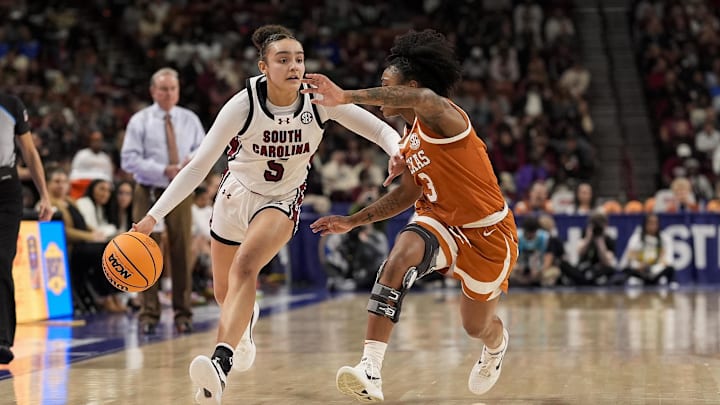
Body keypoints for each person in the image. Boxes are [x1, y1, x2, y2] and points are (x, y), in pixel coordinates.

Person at [131, 25, 403, 404]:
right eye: (283, 59)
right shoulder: (242, 105)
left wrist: (395, 149)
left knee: (245, 267)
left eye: (299, 58)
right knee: (225, 294)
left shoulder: (319, 100)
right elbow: (197, 169)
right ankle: (244, 326)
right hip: (233, 196)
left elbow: (379, 130)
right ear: (264, 66)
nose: (294, 66)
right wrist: (151, 218)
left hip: (281, 200)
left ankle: (218, 368)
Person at [304, 29, 519, 401]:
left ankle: (496, 347)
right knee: (399, 258)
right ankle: (370, 368)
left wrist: (346, 96)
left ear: (410, 85)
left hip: (487, 235)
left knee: (476, 327)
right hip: (438, 218)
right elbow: (410, 192)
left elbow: (420, 97)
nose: (380, 89)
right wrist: (354, 221)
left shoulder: (443, 116)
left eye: (386, 84)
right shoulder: (409, 134)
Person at [121, 67, 206, 335]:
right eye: (163, 89)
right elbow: (129, 159)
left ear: (178, 91)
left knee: (182, 251)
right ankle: (148, 314)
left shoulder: (190, 119)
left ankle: (183, 313)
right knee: (144, 252)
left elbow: (204, 150)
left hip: (180, 190)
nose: (168, 93)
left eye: (173, 89)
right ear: (153, 91)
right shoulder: (140, 120)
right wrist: (162, 169)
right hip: (148, 189)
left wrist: (189, 163)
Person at [0, 92, 52, 364]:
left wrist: (45, 195)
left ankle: (2, 338)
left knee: (1, 259)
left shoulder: (10, 104)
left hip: (6, 189)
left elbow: (29, 151)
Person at [621, 213, 675, 286]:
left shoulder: (665, 238)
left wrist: (654, 268)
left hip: (657, 270)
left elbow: (668, 260)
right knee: (627, 270)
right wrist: (638, 266)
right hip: (640, 270)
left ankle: (658, 280)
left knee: (670, 270)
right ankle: (640, 280)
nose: (653, 226)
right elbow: (629, 258)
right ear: (645, 224)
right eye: (650, 223)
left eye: (655, 223)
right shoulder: (636, 238)